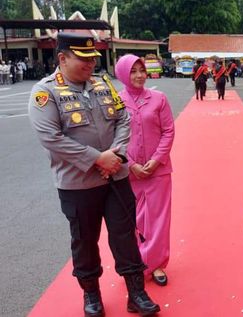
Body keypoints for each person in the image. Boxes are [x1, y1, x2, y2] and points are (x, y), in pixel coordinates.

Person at [28, 33, 160, 317]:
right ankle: (92, 295)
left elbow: (123, 119)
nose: (90, 63)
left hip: (117, 176)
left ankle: (136, 293)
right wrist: (97, 158)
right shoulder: (45, 92)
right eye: (83, 58)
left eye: (93, 58)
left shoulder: (103, 83)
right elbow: (51, 137)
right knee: (85, 240)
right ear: (62, 58)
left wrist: (117, 154)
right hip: (78, 184)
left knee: (125, 235)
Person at [117, 54, 175, 287]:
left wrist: (156, 159)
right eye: (133, 71)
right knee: (131, 220)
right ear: (122, 73)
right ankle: (135, 263)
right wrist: (130, 164)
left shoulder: (158, 99)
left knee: (159, 220)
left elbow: (168, 131)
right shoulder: (115, 101)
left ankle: (156, 263)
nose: (140, 75)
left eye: (142, 70)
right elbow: (112, 137)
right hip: (126, 172)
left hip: (158, 171)